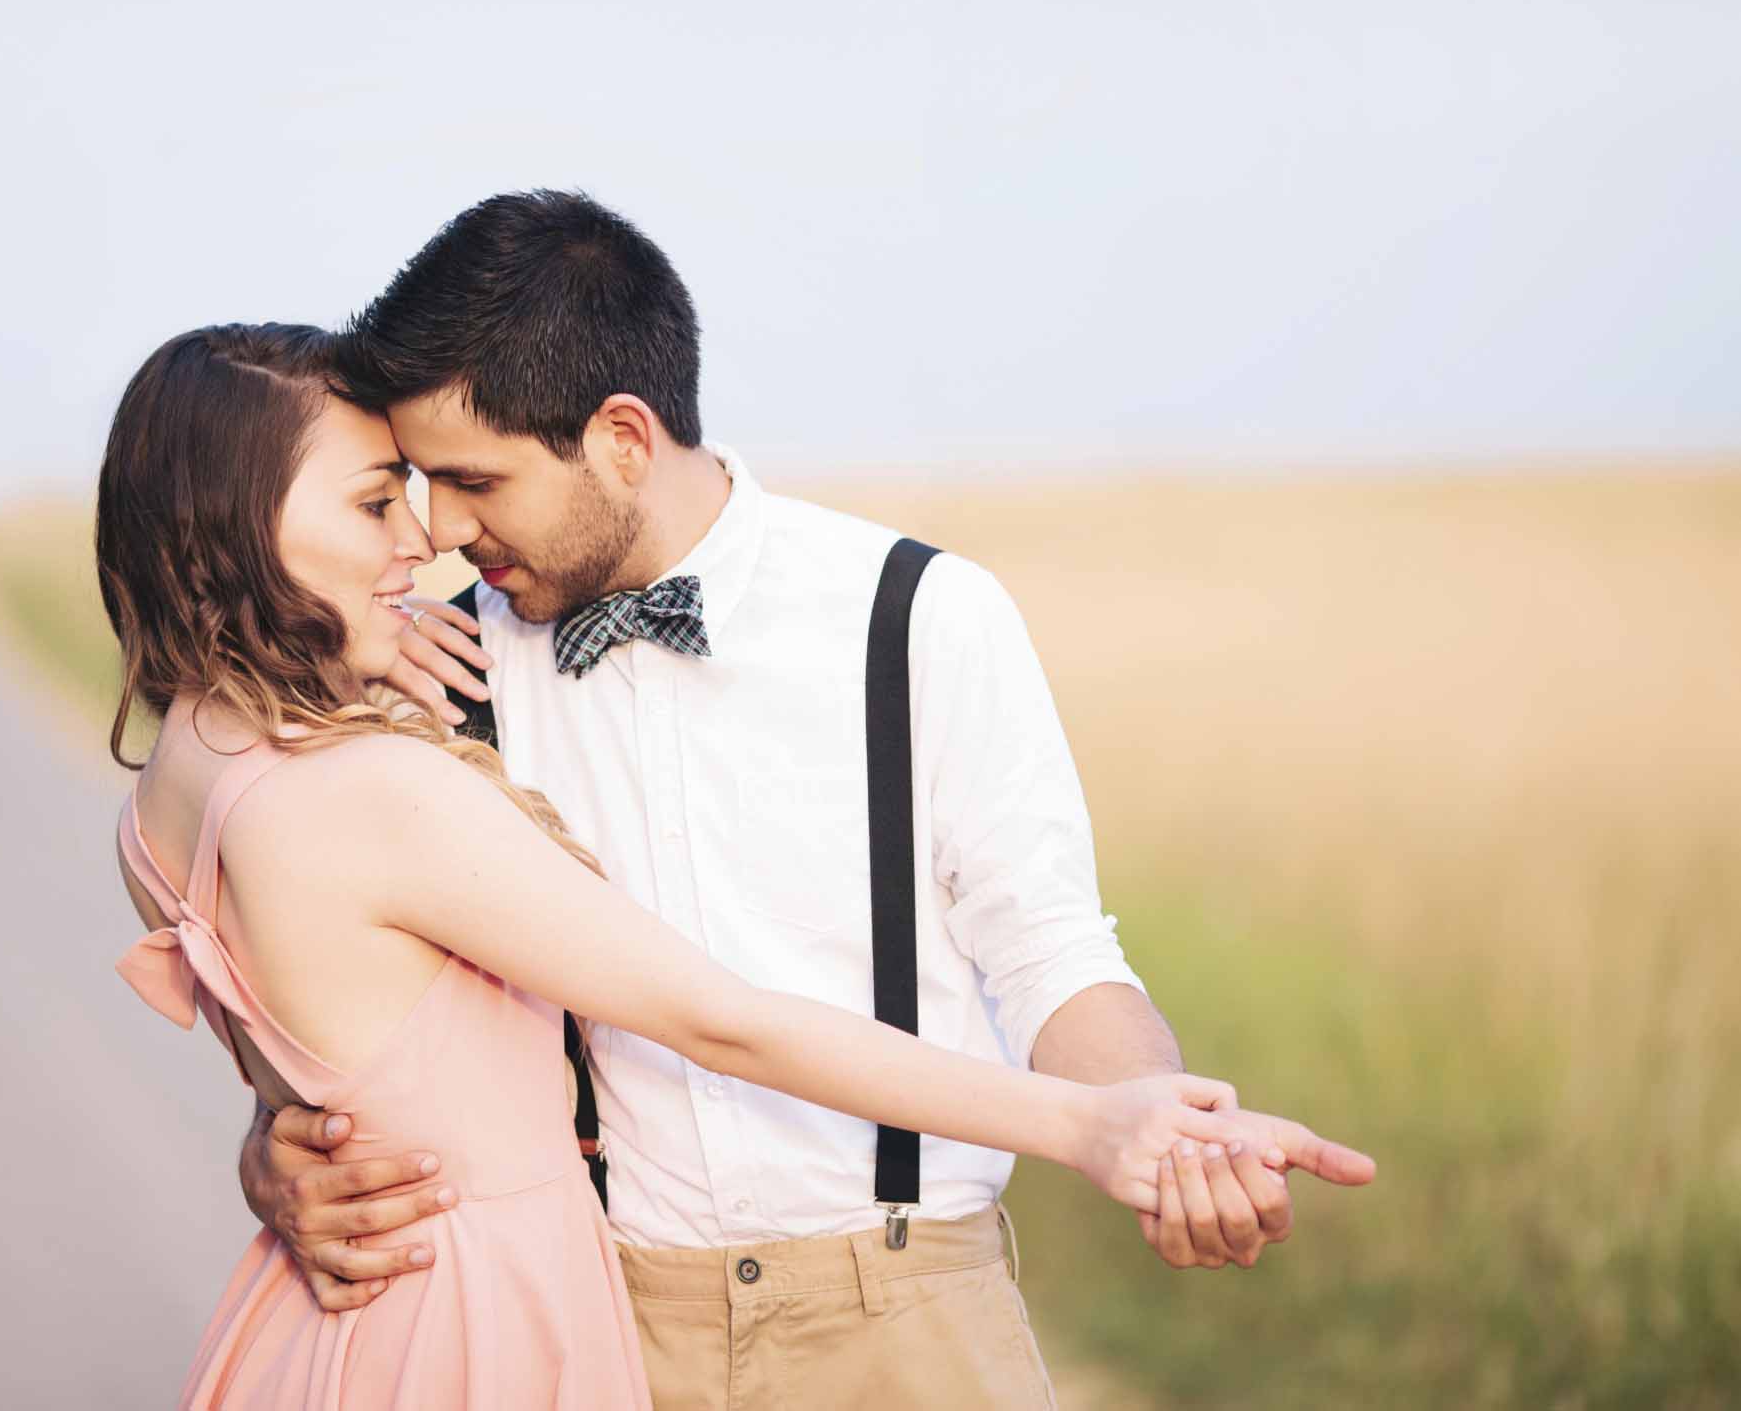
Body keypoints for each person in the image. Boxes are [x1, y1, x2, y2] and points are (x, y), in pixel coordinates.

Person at [236, 192, 1376, 1408]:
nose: (444, 531)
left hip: (914, 1317)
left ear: (623, 437)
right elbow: (346, 1000)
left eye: (475, 481)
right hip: (593, 1323)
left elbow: (1046, 948)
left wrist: (1157, 1121)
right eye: (418, 483)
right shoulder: (435, 669)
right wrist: (274, 1152)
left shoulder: (921, 615)